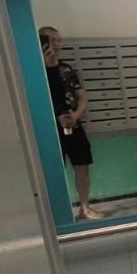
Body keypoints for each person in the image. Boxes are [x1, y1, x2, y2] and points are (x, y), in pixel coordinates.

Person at [39, 25, 102, 221]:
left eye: (59, 40)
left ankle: (85, 208)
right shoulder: (34, 71)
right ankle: (56, 214)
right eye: (51, 40)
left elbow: (82, 98)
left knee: (82, 166)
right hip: (49, 129)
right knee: (52, 171)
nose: (56, 45)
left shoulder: (66, 69)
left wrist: (75, 116)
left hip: (72, 124)